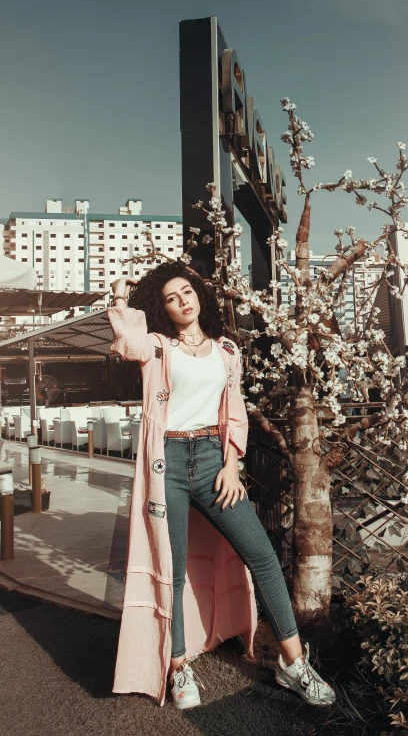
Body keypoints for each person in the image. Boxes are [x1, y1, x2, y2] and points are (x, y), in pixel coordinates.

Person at [107, 261, 335, 710]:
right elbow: (126, 342)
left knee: (263, 556)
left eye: (187, 292)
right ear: (163, 308)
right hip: (165, 463)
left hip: (214, 461)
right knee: (169, 568)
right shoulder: (156, 346)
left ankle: (294, 664)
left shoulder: (227, 350)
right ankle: (177, 667)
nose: (182, 301)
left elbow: (234, 411)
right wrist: (120, 294)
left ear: (199, 295)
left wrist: (232, 464)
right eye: (171, 298)